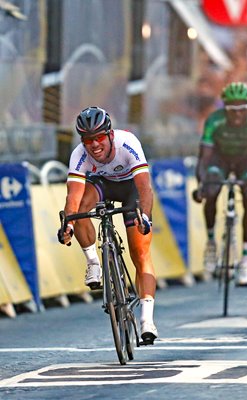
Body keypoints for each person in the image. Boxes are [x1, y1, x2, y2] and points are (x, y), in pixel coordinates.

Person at [58, 106, 158, 344]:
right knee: (80, 211)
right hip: (101, 185)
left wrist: (143, 216)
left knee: (140, 252)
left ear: (110, 135)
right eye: (88, 140)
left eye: (99, 137)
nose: (94, 145)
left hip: (131, 188)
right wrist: (67, 225)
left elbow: (145, 188)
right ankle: (93, 262)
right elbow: (72, 198)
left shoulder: (128, 143)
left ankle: (147, 320)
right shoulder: (78, 155)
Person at [192, 82, 247, 286]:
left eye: (242, 110)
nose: (237, 115)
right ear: (224, 108)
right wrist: (201, 185)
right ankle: (211, 243)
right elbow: (203, 158)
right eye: (232, 110)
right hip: (220, 158)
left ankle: (244, 260)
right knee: (211, 189)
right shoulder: (214, 120)